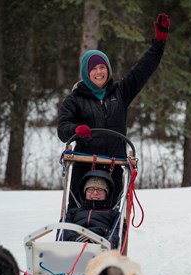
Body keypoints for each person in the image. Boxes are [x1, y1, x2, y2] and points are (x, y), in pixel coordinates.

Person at [57, 13, 170, 204]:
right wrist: (75, 130)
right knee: (79, 211)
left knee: (113, 217)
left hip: (113, 165)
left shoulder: (121, 92)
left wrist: (159, 43)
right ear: (86, 72)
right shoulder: (74, 99)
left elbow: (143, 70)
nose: (99, 72)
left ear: (108, 69)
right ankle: (72, 235)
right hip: (84, 165)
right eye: (94, 68)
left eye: (102, 67)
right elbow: (62, 129)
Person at [62, 170, 120, 248]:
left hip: (101, 250)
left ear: (106, 194)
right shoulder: (72, 212)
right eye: (91, 189)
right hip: (73, 247)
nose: (95, 193)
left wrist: (99, 242)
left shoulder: (114, 214)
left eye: (100, 190)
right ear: (85, 192)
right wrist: (76, 240)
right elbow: (64, 231)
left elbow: (115, 235)